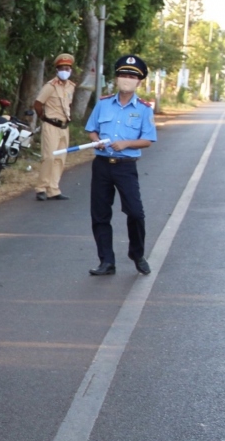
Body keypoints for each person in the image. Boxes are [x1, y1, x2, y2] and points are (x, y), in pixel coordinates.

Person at [86, 54, 158, 276]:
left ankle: (137, 254)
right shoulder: (103, 104)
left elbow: (148, 139)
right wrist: (95, 140)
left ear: (139, 82)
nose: (126, 79)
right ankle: (106, 261)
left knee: (135, 213)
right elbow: (91, 129)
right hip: (102, 165)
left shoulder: (144, 109)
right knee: (100, 214)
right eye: (123, 75)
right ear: (117, 78)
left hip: (126, 166)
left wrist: (127, 143)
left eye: (131, 76)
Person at [33, 52, 77, 201]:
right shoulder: (50, 86)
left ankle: (53, 189)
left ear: (70, 70)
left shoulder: (71, 87)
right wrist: (43, 117)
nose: (65, 70)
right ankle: (41, 187)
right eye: (62, 68)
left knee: (60, 159)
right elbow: (38, 103)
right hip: (51, 125)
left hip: (64, 126)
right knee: (49, 157)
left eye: (67, 68)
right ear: (57, 70)